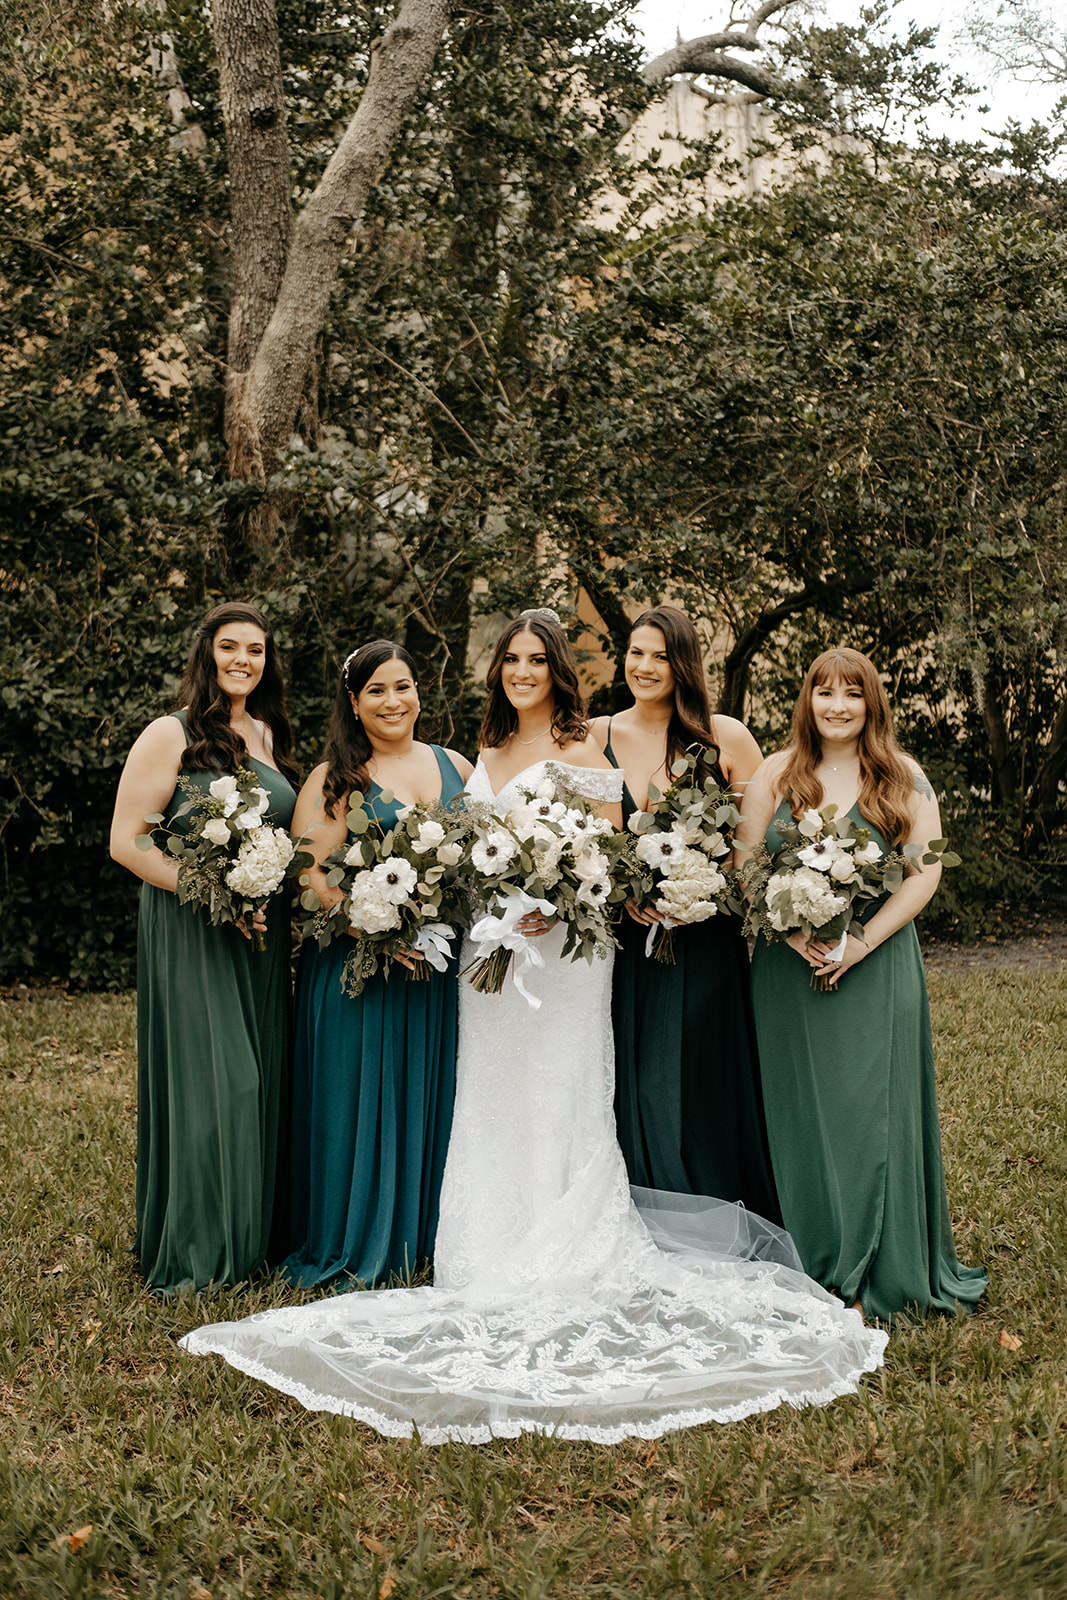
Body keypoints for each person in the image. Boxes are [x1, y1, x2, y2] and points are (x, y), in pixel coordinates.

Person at [181, 612, 887, 1443]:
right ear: (497, 672)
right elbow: (455, 854)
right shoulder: (475, 755)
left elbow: (609, 850)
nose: (521, 671)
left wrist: (555, 897)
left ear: (557, 669)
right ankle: (484, 1240)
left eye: (535, 660)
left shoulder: (585, 744)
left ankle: (572, 1235)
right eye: (510, 660)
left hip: (566, 956)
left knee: (559, 1092)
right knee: (490, 1093)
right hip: (487, 959)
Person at [736, 646, 987, 1323]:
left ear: (870, 703)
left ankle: (884, 1261)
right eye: (825, 692)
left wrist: (859, 943)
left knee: (871, 1109)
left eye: (852, 693)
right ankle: (816, 1257)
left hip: (875, 964)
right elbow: (746, 870)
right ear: (806, 701)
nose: (837, 706)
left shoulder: (901, 774)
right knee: (804, 1115)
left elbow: (923, 872)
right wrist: (795, 936)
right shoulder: (774, 774)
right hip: (787, 972)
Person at [109, 601, 298, 1294]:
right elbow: (128, 838)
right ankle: (197, 1251)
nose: (243, 659)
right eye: (229, 646)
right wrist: (208, 893)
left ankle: (251, 1239)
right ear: (207, 653)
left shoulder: (267, 732)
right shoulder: (172, 731)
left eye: (255, 648)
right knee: (217, 1084)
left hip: (259, 937)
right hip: (192, 930)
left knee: (259, 1079)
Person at [278, 641, 471, 1288]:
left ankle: (422, 1237)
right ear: (354, 705)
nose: (394, 702)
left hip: (434, 976)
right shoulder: (335, 778)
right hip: (359, 973)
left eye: (404, 687)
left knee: (428, 1099)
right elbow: (306, 879)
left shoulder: (457, 767)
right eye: (377, 692)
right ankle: (353, 1236)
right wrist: (371, 923)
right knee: (356, 1105)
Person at [590, 605, 779, 1218]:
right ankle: (643, 1207)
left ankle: (719, 1201)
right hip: (627, 940)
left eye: (661, 656)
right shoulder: (595, 736)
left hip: (706, 940)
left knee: (702, 1074)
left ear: (683, 664)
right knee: (636, 1073)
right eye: (636, 652)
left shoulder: (725, 736)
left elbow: (753, 849)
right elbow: (576, 840)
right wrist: (624, 891)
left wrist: (700, 889)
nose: (645, 667)